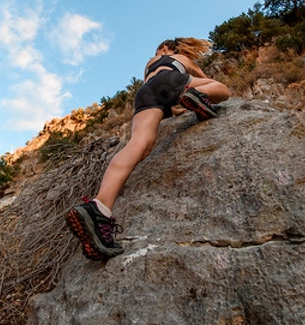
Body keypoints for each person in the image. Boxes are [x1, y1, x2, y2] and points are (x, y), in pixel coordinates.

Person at [65, 37, 230, 260]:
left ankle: (99, 207)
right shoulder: (179, 58)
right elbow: (203, 79)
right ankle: (198, 97)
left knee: (138, 146)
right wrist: (200, 84)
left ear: (162, 49)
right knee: (222, 89)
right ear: (171, 49)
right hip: (172, 80)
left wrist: (178, 105)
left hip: (146, 93)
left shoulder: (150, 64)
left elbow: (162, 92)